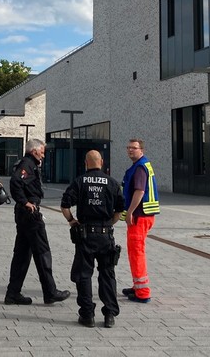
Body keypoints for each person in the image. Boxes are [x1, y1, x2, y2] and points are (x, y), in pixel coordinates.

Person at [61, 150, 124, 328]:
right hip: (105, 236)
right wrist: (108, 224)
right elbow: (119, 211)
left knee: (84, 275)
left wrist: (72, 221)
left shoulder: (79, 182)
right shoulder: (112, 183)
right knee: (107, 274)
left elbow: (65, 205)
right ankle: (110, 314)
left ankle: (87, 315)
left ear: (85, 163)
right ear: (102, 162)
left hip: (85, 235)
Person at [4, 138, 70, 305]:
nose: (43, 154)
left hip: (24, 215)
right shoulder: (27, 164)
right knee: (42, 252)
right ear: (34, 151)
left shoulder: (30, 164)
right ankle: (50, 292)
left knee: (22, 255)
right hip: (30, 215)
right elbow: (15, 182)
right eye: (42, 151)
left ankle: (13, 293)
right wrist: (25, 202)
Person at [122, 138, 159, 303]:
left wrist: (129, 212)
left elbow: (139, 191)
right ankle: (137, 286)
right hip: (144, 215)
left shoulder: (139, 169)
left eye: (134, 148)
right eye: (129, 147)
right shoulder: (142, 165)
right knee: (134, 252)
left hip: (139, 216)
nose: (130, 150)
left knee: (136, 253)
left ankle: (143, 292)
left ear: (141, 150)